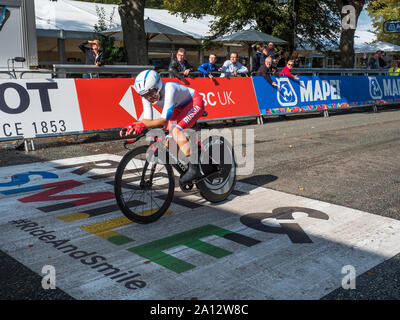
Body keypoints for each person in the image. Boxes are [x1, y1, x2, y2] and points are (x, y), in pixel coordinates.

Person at [120, 70, 205, 184]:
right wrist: (133, 127)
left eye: (151, 93)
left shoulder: (170, 89)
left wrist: (141, 125)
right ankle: (193, 150)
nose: (149, 98)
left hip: (194, 103)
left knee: (175, 131)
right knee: (168, 139)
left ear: (158, 86)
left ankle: (194, 168)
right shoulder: (145, 95)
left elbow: (163, 120)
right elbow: (147, 120)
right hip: (178, 108)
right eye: (145, 95)